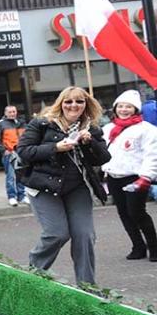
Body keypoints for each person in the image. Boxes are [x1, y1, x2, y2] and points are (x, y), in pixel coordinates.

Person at [16, 87, 110, 286]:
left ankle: (87, 287)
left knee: (84, 235)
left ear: (86, 105)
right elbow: (23, 151)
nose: (73, 105)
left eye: (79, 101)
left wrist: (89, 142)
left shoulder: (90, 128)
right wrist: (55, 148)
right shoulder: (42, 123)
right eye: (68, 101)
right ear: (61, 103)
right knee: (57, 233)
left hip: (77, 188)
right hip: (44, 187)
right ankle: (33, 274)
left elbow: (103, 157)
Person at [101, 90, 157, 261]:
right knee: (123, 213)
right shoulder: (108, 128)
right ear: (115, 108)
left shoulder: (146, 129)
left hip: (135, 177)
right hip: (113, 177)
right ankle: (138, 246)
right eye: (120, 106)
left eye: (128, 107)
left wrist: (147, 176)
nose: (124, 110)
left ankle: (154, 247)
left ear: (135, 109)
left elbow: (152, 154)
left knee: (137, 212)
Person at [0, 105, 27, 206]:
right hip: (9, 153)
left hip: (20, 153)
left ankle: (22, 196)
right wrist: (3, 150)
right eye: (10, 112)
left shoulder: (21, 123)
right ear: (5, 113)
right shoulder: (0, 124)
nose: (12, 114)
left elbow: (27, 136)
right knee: (11, 176)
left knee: (21, 175)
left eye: (14, 111)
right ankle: (12, 197)